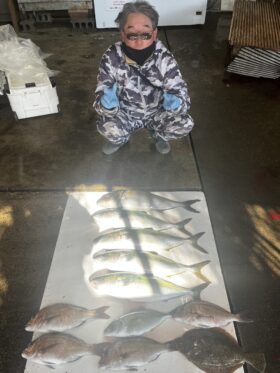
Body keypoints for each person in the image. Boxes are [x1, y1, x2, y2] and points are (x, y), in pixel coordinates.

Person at [93, 1, 194, 155]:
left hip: (156, 113)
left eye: (145, 34)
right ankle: (121, 139)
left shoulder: (165, 59)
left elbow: (183, 97)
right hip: (126, 112)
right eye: (132, 34)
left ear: (154, 34)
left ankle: (158, 134)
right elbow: (100, 98)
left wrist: (176, 104)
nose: (139, 41)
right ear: (122, 34)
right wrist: (107, 105)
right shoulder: (111, 56)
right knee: (107, 126)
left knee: (184, 124)